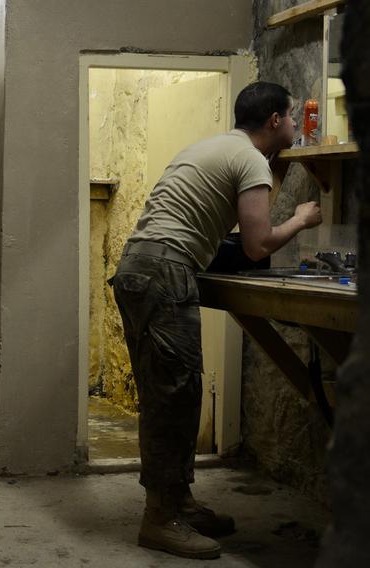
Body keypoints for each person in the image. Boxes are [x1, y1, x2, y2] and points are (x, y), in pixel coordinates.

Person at [110, 81, 323, 560]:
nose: (294, 125)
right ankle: (159, 520)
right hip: (164, 270)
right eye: (292, 117)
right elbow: (257, 244)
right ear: (274, 121)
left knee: (177, 391)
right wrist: (302, 220)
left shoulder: (213, 146)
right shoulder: (251, 160)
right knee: (173, 396)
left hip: (146, 266)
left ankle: (179, 501)